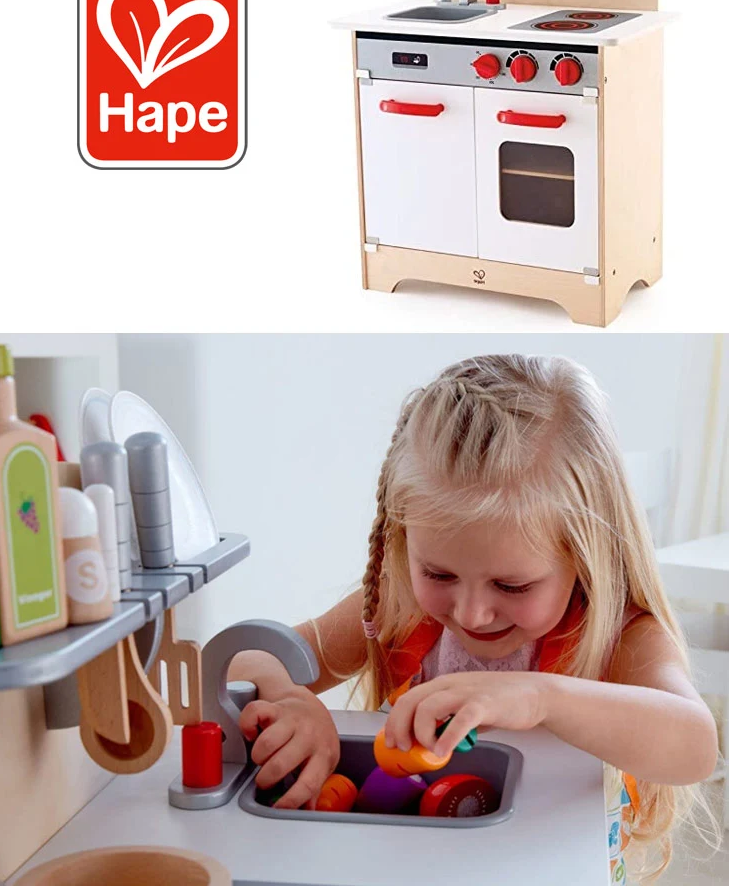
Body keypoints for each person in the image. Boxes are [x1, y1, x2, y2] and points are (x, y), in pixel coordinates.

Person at [228, 355, 719, 882]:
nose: (471, 613)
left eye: (512, 585)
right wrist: (286, 697)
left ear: (585, 554)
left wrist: (539, 697)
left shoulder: (622, 634)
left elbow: (693, 746)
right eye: (438, 574)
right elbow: (246, 658)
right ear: (402, 539)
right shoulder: (397, 607)